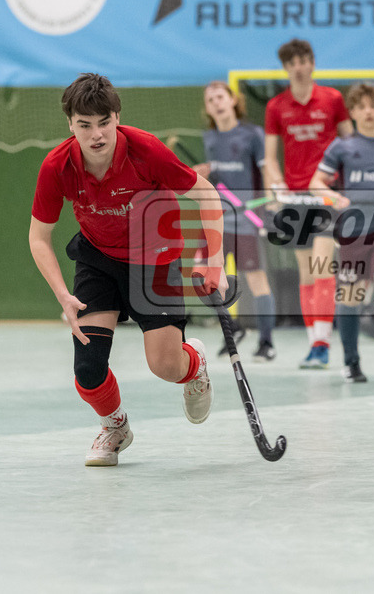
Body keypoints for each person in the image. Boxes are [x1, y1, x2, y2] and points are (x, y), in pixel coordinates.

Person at [28, 73, 226, 466]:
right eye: (84, 125)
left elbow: (204, 191)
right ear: (71, 124)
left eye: (103, 122)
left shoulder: (147, 152)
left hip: (157, 260)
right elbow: (38, 237)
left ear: (117, 116)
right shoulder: (57, 166)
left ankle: (195, 364)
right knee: (87, 366)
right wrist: (62, 294)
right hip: (98, 259)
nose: (96, 134)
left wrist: (215, 260)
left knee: (165, 366)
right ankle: (115, 426)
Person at [308, 82, 374, 385]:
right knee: (351, 301)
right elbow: (316, 183)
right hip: (353, 233)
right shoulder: (342, 147)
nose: (368, 111)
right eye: (361, 106)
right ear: (353, 113)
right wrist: (335, 198)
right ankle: (351, 363)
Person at [263, 39, 353, 369]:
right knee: (306, 273)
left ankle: (322, 343)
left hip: (326, 197)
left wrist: (346, 186)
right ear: (286, 68)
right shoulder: (276, 107)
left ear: (312, 63)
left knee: (321, 266)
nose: (299, 67)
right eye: (292, 62)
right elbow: (271, 159)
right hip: (295, 199)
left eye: (304, 60)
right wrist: (278, 188)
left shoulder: (333, 99)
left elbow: (351, 145)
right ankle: (314, 343)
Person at [193, 80, 278, 362]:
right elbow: (214, 177)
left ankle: (266, 343)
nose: (216, 102)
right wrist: (205, 174)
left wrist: (269, 204)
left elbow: (266, 172)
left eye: (220, 96)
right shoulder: (210, 138)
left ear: (232, 100)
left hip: (246, 219)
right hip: (217, 221)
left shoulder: (253, 135)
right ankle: (234, 327)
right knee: (202, 276)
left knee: (256, 280)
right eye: (210, 99)